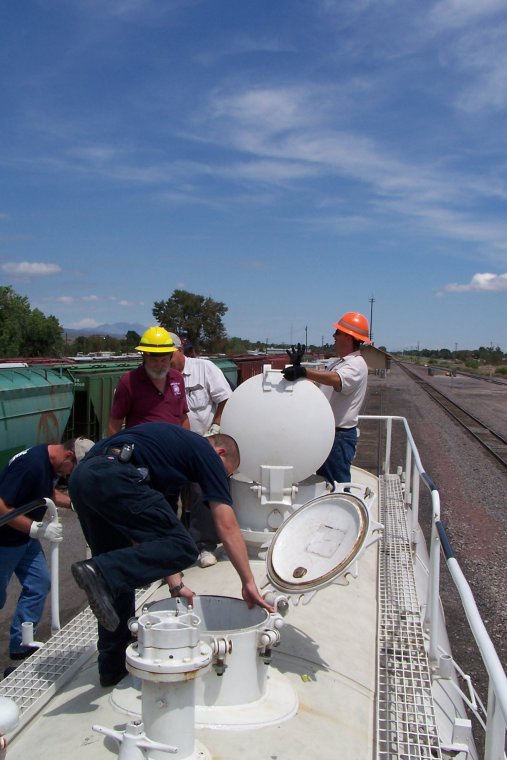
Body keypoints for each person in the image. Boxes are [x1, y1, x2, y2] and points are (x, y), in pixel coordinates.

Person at [68, 422, 272, 688]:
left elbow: (157, 538)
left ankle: (111, 669)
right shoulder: (204, 450)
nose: (216, 480)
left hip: (83, 479)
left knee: (117, 582)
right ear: (220, 452)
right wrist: (248, 582)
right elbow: (226, 523)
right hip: (115, 473)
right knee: (186, 547)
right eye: (225, 474)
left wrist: (176, 585)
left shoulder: (168, 462)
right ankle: (100, 572)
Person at [0, 437, 94, 672]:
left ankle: (20, 645)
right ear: (69, 456)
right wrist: (37, 528)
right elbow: (1, 506)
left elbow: (47, 493)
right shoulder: (30, 465)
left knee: (39, 583)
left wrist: (75, 504)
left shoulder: (49, 462)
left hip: (24, 540)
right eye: (73, 469)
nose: (70, 475)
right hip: (4, 541)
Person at [283, 311, 370, 485]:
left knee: (337, 483)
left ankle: (343, 510)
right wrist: (299, 369)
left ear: (348, 336)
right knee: (324, 481)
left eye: (337, 332)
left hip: (340, 436)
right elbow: (321, 381)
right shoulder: (339, 362)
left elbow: (337, 379)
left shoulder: (356, 365)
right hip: (327, 432)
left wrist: (305, 371)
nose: (333, 336)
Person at [169, 333, 232, 567]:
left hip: (204, 444)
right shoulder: (160, 376)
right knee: (172, 496)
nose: (161, 359)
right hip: (174, 447)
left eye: (166, 354)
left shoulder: (204, 369)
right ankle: (177, 548)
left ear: (179, 350)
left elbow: (225, 399)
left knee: (200, 494)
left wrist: (215, 427)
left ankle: (205, 546)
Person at [107, 326, 189, 435]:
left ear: (170, 356)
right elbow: (114, 425)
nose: (159, 365)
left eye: (163, 360)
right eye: (153, 360)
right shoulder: (128, 382)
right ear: (144, 357)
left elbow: (183, 417)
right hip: (142, 450)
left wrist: (187, 446)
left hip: (173, 449)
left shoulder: (178, 379)